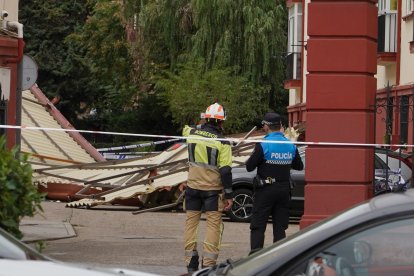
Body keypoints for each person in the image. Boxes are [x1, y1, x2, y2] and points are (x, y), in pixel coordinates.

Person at [182, 102, 233, 274]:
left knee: (191, 225)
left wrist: (201, 124)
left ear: (205, 118)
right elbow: (225, 171)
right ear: (221, 122)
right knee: (213, 226)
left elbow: (186, 128)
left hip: (192, 188)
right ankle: (208, 264)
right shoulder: (223, 142)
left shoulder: (191, 133)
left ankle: (191, 262)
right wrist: (229, 194)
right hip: (212, 191)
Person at [246, 112, 303, 254]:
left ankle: (255, 257)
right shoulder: (290, 145)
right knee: (280, 227)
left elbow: (249, 167)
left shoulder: (264, 144)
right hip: (284, 190)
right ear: (280, 126)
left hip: (265, 190)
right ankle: (278, 259)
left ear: (266, 126)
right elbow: (299, 166)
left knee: (258, 225)